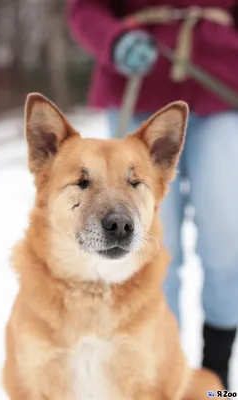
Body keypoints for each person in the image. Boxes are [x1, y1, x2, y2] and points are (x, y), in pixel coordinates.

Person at [68, 0, 238, 389]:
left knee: (229, 239)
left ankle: (217, 378)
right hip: (139, 84)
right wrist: (114, 41)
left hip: (224, 85)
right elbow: (84, 8)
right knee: (149, 249)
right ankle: (161, 377)